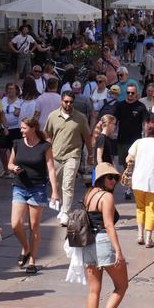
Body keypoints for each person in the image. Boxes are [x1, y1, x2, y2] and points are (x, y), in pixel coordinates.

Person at [8, 117, 59, 274]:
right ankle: (26, 247)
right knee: (15, 224)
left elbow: (51, 169)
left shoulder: (44, 146)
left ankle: (32, 260)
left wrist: (55, 191)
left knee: (34, 226)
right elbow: (9, 163)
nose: (21, 130)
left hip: (38, 188)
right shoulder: (17, 143)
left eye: (24, 128)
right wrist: (13, 168)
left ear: (33, 128)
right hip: (19, 186)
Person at [82, 162, 128, 308]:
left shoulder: (89, 194)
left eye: (115, 178)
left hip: (88, 243)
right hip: (102, 241)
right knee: (122, 285)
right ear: (100, 178)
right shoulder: (106, 197)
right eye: (109, 177)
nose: (113, 181)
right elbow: (109, 225)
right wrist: (118, 250)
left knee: (94, 290)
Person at [43, 91, 93, 226]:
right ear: (61, 101)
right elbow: (47, 134)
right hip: (56, 155)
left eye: (71, 102)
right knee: (57, 184)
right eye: (66, 101)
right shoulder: (53, 116)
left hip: (73, 155)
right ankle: (62, 207)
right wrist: (47, 150)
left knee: (68, 184)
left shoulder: (80, 118)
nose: (68, 104)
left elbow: (87, 137)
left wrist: (90, 153)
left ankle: (66, 211)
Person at [113, 82, 148, 199]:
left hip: (136, 142)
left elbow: (145, 124)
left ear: (136, 94)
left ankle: (130, 188)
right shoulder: (120, 105)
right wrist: (112, 133)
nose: (130, 95)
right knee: (124, 164)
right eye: (128, 93)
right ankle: (131, 184)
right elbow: (114, 121)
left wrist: (146, 138)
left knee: (134, 164)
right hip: (122, 140)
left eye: (132, 93)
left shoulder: (141, 107)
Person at [0, 82, 23, 177]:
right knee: (1, 150)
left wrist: (19, 111)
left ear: (16, 91)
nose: (10, 90)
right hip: (3, 128)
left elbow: (21, 113)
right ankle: (6, 170)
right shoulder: (3, 100)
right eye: (8, 88)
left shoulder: (20, 102)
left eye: (12, 88)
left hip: (15, 129)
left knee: (14, 151)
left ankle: (14, 170)